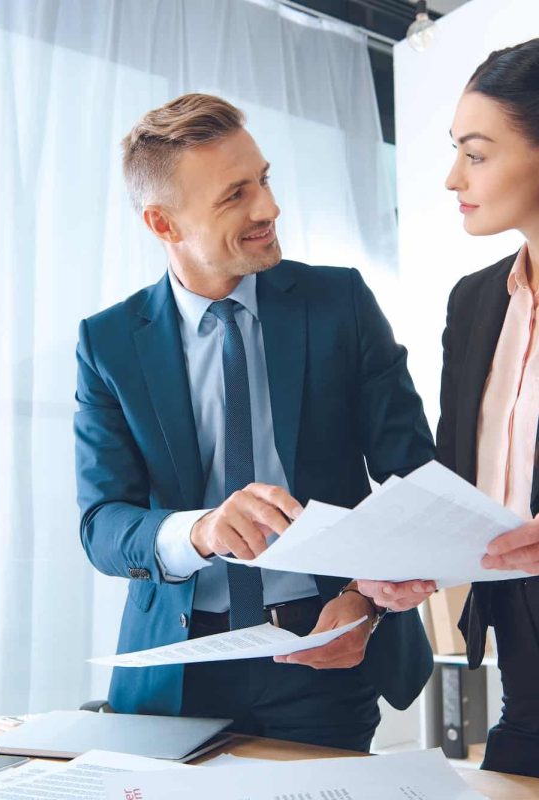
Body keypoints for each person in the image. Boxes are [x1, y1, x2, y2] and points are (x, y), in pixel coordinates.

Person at [74, 92, 435, 752]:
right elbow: (102, 526)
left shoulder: (340, 304)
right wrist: (202, 529)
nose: (267, 209)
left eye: (263, 180)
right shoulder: (110, 343)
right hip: (177, 672)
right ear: (164, 224)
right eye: (234, 195)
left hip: (324, 647)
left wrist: (366, 599)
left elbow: (416, 480)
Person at [358, 39, 539, 778]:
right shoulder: (473, 304)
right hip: (524, 682)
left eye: (476, 154)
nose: (450, 178)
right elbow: (455, 486)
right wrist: (396, 560)